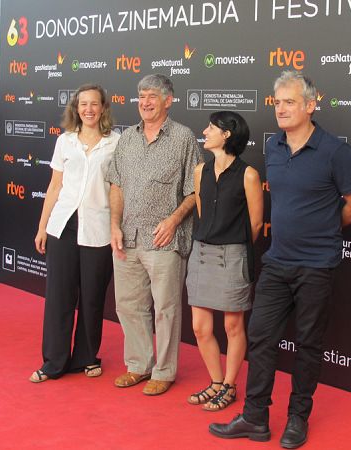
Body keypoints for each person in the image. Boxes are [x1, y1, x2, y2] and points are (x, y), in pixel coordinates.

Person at [209, 71, 351, 448]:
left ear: (310, 106)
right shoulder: (274, 148)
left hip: (317, 265)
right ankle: (255, 417)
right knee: (261, 338)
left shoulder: (334, 151)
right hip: (277, 262)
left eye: (289, 102)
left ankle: (298, 419)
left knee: (308, 344)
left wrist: (326, 227)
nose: (280, 108)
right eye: (276, 102)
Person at [106, 73, 199, 396]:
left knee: (166, 309)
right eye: (141, 96)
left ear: (168, 100)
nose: (145, 103)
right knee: (129, 306)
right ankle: (138, 365)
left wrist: (173, 221)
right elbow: (115, 184)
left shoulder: (183, 138)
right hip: (127, 237)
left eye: (152, 96)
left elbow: (194, 191)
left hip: (165, 240)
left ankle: (164, 371)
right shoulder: (126, 138)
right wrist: (114, 224)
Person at [29, 84, 119, 383]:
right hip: (62, 226)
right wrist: (42, 227)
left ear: (103, 108)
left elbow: (119, 189)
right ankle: (54, 361)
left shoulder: (116, 142)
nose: (89, 109)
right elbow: (55, 186)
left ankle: (86, 357)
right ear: (75, 108)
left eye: (95, 104)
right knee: (59, 297)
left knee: (92, 298)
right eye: (83, 104)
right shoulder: (65, 141)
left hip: (98, 229)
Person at [186, 111, 263, 411]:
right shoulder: (199, 171)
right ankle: (216, 382)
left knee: (233, 327)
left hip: (233, 257)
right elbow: (203, 214)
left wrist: (232, 247)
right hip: (201, 254)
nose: (205, 131)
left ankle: (229, 385)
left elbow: (256, 225)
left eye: (211, 128)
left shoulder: (249, 175)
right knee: (200, 328)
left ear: (227, 134)